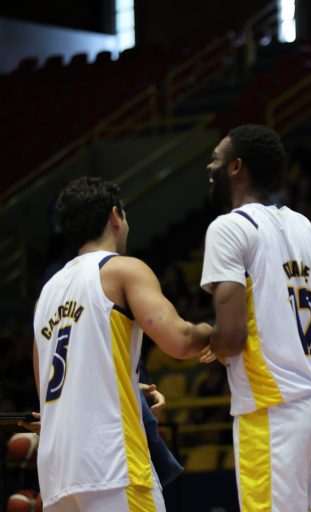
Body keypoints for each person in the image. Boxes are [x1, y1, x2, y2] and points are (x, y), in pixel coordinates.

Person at [32, 176, 212, 511]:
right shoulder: (122, 270)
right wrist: (213, 331)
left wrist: (129, 390)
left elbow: (49, 388)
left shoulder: (47, 294)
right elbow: (181, 341)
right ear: (115, 216)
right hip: (111, 463)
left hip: (57, 474)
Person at [200, 124, 311, 510]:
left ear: (236, 167)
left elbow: (232, 337)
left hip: (274, 410)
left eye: (216, 160)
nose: (209, 168)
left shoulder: (229, 228)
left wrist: (205, 338)